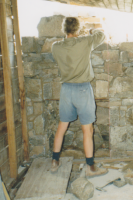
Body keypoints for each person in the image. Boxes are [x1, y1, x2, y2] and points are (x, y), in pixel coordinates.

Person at [50, 17, 108, 177]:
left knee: (62, 127)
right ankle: (90, 167)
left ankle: (54, 162)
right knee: (87, 130)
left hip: (66, 90)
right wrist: (91, 30)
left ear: (64, 29)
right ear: (77, 29)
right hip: (83, 90)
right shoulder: (85, 42)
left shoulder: (56, 47)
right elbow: (101, 35)